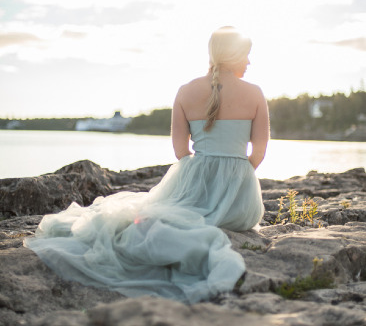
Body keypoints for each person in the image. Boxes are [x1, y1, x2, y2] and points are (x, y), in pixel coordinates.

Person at [24, 26, 269, 304]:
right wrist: (235, 180)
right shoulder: (255, 93)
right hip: (241, 204)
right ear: (234, 55)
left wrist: (203, 179)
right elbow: (258, 153)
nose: (249, 63)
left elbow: (181, 152)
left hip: (194, 182)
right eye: (247, 55)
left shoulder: (185, 91)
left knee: (154, 217)